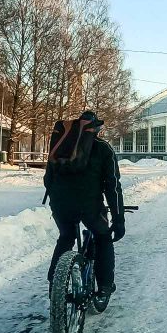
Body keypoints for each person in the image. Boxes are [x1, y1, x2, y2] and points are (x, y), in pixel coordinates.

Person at [44, 110, 125, 295]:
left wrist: (57, 198)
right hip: (89, 205)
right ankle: (104, 286)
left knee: (66, 237)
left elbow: (48, 179)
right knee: (103, 237)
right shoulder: (104, 149)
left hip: (59, 203)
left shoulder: (62, 146)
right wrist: (118, 220)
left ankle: (55, 284)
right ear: (95, 129)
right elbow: (113, 187)